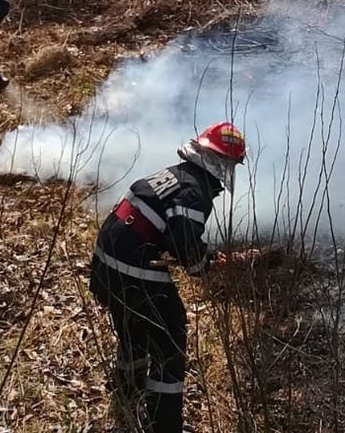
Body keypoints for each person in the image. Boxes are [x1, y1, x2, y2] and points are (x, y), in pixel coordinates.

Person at [89, 121, 247, 432]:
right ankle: (164, 424)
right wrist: (204, 265)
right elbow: (184, 244)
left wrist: (203, 256)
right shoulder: (195, 191)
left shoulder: (175, 175)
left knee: (133, 329)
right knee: (169, 342)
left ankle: (127, 390)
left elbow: (168, 232)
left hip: (107, 263)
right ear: (221, 163)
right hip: (133, 269)